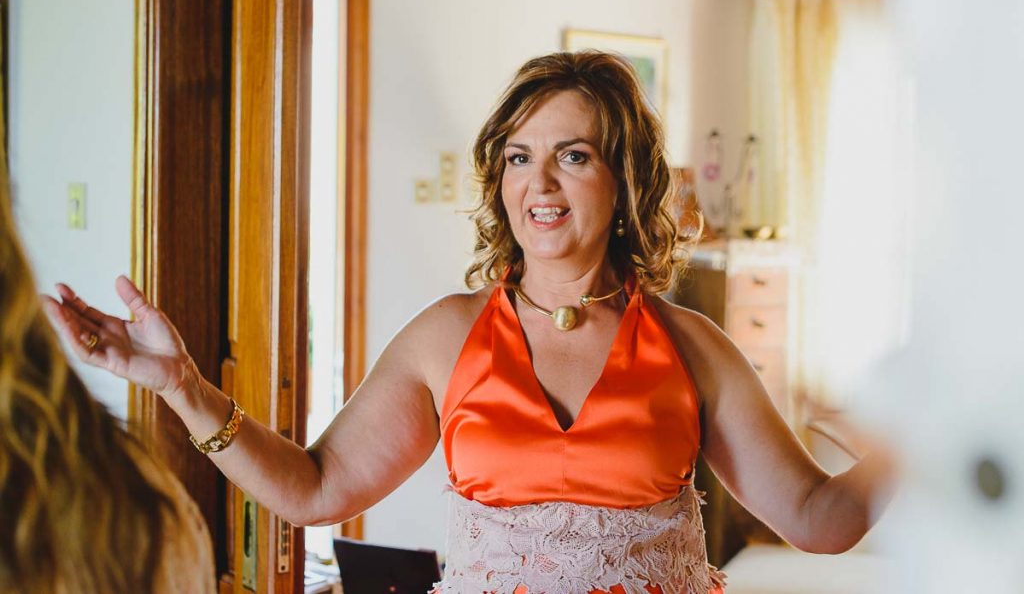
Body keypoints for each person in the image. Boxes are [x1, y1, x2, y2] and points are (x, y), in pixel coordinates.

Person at [44, 51, 894, 593]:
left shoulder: (692, 348)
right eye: (520, 157)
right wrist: (182, 386)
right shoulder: (445, 338)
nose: (540, 183)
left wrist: (905, 453)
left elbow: (817, 519)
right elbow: (314, 489)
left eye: (573, 155)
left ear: (624, 179)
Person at [0, 169, 215, 593]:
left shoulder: (132, 505)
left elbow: (318, 488)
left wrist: (182, 381)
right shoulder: (134, 492)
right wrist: (181, 382)